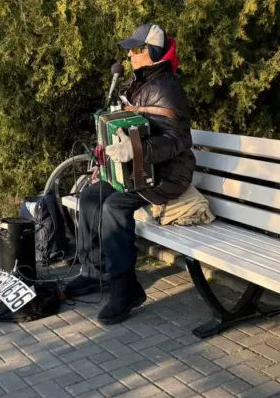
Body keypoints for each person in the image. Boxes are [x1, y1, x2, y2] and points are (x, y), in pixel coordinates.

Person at [66, 24, 195, 324]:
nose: (130, 55)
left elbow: (178, 140)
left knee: (113, 207)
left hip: (167, 175)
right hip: (137, 170)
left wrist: (135, 150)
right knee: (89, 197)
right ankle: (94, 272)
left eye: (136, 49)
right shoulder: (139, 82)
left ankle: (126, 290)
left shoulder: (166, 87)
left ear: (153, 53)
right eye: (130, 50)